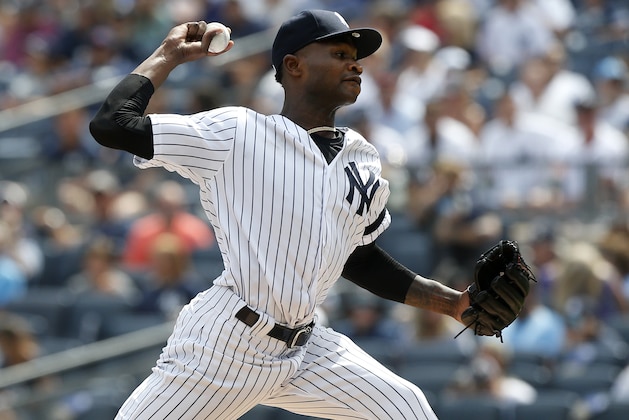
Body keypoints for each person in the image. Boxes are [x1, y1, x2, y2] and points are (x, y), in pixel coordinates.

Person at [89, 10, 510, 419]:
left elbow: (358, 258)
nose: (355, 65)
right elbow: (113, 124)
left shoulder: (362, 157)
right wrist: (169, 54)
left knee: (407, 408)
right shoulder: (237, 133)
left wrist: (452, 303)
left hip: (307, 350)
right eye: (339, 54)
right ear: (294, 66)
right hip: (225, 346)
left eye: (355, 57)